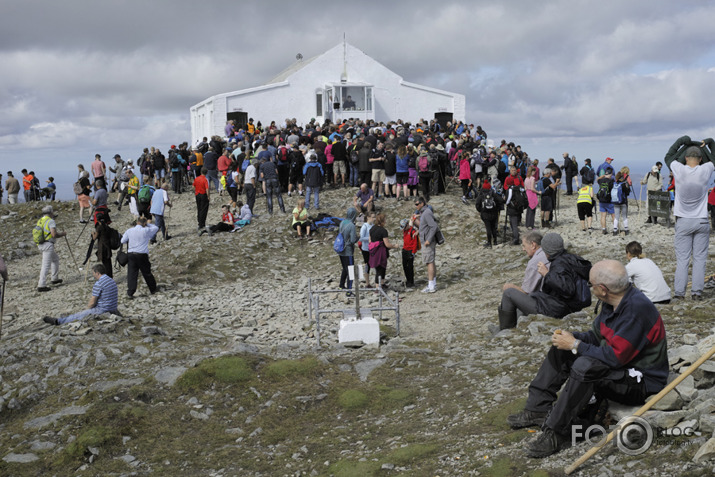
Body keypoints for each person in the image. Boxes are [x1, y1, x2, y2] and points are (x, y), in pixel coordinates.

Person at [507, 260, 668, 459]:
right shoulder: (613, 300)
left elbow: (615, 358)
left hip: (640, 381)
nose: (589, 288)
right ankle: (537, 408)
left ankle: (556, 432)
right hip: (620, 367)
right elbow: (597, 337)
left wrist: (576, 345)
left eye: (591, 285)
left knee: (586, 366)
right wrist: (572, 338)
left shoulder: (636, 310)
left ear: (603, 289)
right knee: (562, 349)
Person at [497, 233, 591, 327]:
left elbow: (567, 289)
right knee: (528, 299)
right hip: (567, 306)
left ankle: (504, 331)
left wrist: (547, 274)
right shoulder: (572, 258)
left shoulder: (559, 263)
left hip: (556, 309)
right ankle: (503, 328)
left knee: (508, 293)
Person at [663, 136, 715, 300]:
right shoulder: (705, 169)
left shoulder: (679, 169)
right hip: (701, 220)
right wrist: (710, 143)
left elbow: (668, 157)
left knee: (683, 259)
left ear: (686, 158)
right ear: (700, 159)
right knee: (700, 259)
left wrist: (683, 141)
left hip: (683, 221)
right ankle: (696, 293)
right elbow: (713, 158)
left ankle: (679, 294)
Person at [42, 264, 119, 326]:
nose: (93, 275)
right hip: (113, 307)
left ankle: (59, 321)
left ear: (97, 273)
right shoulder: (111, 280)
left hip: (103, 309)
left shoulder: (99, 283)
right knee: (80, 314)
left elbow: (92, 302)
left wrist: (87, 309)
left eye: (93, 273)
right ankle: (66, 318)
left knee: (80, 315)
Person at [121, 216, 158, 298]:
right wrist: (148, 224)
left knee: (132, 273)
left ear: (137, 222)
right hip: (142, 254)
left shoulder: (129, 230)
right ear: (144, 223)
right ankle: (153, 288)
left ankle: (130, 291)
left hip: (131, 254)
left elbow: (122, 241)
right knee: (146, 272)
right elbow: (156, 227)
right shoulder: (146, 230)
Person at [35, 205, 67, 292]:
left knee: (55, 259)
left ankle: (55, 278)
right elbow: (54, 234)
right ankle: (41, 284)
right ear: (50, 213)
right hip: (48, 244)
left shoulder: (40, 220)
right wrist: (62, 234)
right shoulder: (50, 221)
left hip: (40, 244)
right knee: (45, 265)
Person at [368, 212, 400, 289]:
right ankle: (378, 287)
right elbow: (387, 244)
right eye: (385, 220)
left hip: (373, 251)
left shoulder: (372, 229)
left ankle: (382, 284)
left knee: (379, 268)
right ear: (382, 221)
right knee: (380, 269)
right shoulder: (383, 231)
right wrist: (394, 246)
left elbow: (370, 241)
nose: (385, 221)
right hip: (381, 252)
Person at [415, 197, 438, 293]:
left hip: (428, 241)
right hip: (426, 239)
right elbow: (425, 226)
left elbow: (434, 226)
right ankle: (433, 283)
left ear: (422, 203)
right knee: (430, 261)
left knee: (429, 262)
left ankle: (431, 285)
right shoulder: (424, 213)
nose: (416, 206)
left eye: (417, 204)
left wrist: (428, 239)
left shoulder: (427, 212)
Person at [476, 180, 504, 248]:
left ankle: (489, 242)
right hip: (494, 213)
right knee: (493, 227)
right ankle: (495, 242)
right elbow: (500, 200)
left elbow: (477, 205)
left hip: (485, 214)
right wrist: (497, 208)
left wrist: (481, 211)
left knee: (488, 228)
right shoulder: (493, 193)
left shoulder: (481, 194)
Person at [337, 207, 358, 295]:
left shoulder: (342, 222)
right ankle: (349, 291)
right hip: (348, 251)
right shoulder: (352, 225)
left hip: (341, 249)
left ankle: (341, 285)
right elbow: (353, 240)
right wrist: (359, 237)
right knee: (351, 270)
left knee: (345, 268)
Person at [400, 217, 420, 289]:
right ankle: (408, 280)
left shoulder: (412, 231)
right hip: (405, 250)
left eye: (404, 227)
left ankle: (411, 282)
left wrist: (413, 252)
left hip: (410, 251)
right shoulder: (405, 231)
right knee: (405, 266)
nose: (403, 229)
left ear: (407, 225)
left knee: (410, 267)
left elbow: (415, 243)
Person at [359, 211, 376, 288]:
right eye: (372, 217)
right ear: (368, 217)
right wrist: (370, 238)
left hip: (373, 248)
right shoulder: (364, 226)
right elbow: (361, 238)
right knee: (367, 265)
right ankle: (367, 283)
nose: (374, 219)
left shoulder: (373, 225)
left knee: (376, 264)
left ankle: (377, 282)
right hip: (366, 249)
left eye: (374, 217)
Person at [596, 167, 615, 235]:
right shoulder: (611, 181)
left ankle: (604, 229)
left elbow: (597, 179)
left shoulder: (601, 181)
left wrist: (603, 176)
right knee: (613, 215)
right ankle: (615, 228)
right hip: (609, 201)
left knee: (603, 216)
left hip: (601, 200)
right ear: (611, 174)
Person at [612, 171, 631, 236]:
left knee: (616, 217)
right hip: (623, 202)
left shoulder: (614, 184)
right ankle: (626, 230)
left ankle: (615, 230)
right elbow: (627, 193)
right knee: (624, 216)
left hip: (615, 202)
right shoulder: (623, 184)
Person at [192, 167, 210, 235]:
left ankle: (199, 222)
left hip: (197, 194)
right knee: (204, 209)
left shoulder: (196, 178)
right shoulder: (205, 179)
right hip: (203, 194)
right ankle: (202, 223)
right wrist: (208, 196)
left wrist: (195, 191)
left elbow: (193, 186)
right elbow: (207, 189)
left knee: (199, 208)